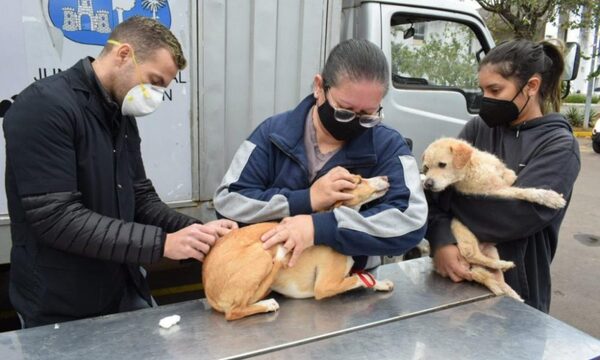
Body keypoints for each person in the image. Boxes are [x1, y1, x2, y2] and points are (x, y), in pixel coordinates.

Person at [3, 17, 237, 328]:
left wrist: (195, 231)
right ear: (124, 54)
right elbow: (56, 218)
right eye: (153, 81)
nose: (155, 95)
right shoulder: (43, 107)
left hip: (121, 284)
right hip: (60, 304)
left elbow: (139, 196)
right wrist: (162, 243)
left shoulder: (120, 113)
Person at [213, 39, 427, 270]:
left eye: (368, 115)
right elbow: (228, 202)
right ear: (319, 87)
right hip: (274, 284)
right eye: (344, 111)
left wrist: (320, 227)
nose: (354, 121)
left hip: (350, 285)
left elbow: (411, 221)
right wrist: (306, 200)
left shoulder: (388, 147)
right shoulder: (273, 134)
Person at [426, 39, 581, 313]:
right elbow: (429, 197)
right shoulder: (478, 128)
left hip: (518, 292)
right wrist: (442, 242)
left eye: (495, 90)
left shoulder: (559, 146)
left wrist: (448, 197)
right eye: (483, 89)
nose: (486, 98)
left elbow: (515, 216)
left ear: (531, 87)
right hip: (459, 277)